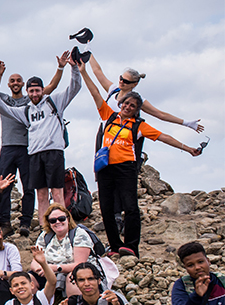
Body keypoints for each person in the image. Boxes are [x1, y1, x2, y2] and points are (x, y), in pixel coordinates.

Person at [80, 62, 202, 257]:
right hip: (105, 168)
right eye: (126, 103)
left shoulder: (139, 125)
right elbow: (95, 92)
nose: (128, 107)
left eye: (132, 106)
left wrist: (188, 149)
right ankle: (115, 246)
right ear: (120, 104)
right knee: (106, 207)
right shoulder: (109, 116)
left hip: (126, 168)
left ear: (137, 109)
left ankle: (131, 246)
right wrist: (83, 71)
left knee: (130, 207)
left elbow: (164, 137)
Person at [0, 51, 62, 237]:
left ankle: (26, 222)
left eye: (18, 81)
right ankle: (5, 223)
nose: (15, 83)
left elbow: (51, 86)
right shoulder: (3, 99)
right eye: (12, 81)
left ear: (23, 84)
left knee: (29, 186)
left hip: (28, 148)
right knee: (4, 185)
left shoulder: (31, 99)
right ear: (8, 84)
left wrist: (60, 67)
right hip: (7, 147)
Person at [0, 51, 80, 228]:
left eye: (37, 90)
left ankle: (64, 226)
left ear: (42, 90)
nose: (35, 94)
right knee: (41, 194)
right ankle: (45, 229)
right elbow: (4, 109)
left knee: (57, 193)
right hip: (35, 154)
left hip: (54, 152)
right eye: (31, 91)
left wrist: (73, 68)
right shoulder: (27, 110)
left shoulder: (54, 102)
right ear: (27, 92)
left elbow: (74, 88)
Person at [89, 54, 203, 134]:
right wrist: (87, 52)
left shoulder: (137, 100)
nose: (121, 82)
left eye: (126, 81)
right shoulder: (114, 90)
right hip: (105, 132)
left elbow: (160, 114)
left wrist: (186, 123)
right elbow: (97, 71)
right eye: (121, 78)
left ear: (134, 84)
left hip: (122, 136)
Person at [30, 204, 96, 298]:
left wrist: (54, 268)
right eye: (53, 220)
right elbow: (35, 261)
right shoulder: (45, 235)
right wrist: (41, 269)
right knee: (27, 279)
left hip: (71, 271)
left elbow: (80, 264)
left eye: (61, 218)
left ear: (68, 219)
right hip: (48, 272)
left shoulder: (79, 234)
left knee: (73, 278)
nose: (57, 222)